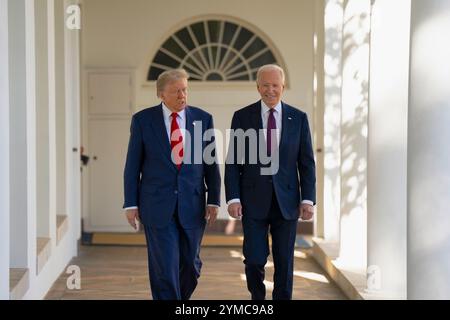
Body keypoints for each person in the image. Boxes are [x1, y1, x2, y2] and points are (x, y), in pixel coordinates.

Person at [123, 69, 221, 300]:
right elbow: (132, 166)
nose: (182, 95)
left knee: (190, 265)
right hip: (156, 204)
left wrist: (214, 199)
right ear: (161, 94)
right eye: (176, 91)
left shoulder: (203, 119)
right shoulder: (143, 121)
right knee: (164, 269)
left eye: (185, 90)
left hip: (193, 203)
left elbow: (211, 163)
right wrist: (130, 204)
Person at [225, 64, 316, 300]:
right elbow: (233, 161)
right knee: (254, 258)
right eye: (265, 85)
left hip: (287, 202)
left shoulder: (298, 118)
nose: (270, 90)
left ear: (283, 87)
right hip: (252, 201)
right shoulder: (242, 117)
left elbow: (306, 163)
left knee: (284, 261)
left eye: (275, 85)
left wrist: (308, 199)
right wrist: (233, 197)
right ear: (257, 87)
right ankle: (258, 299)